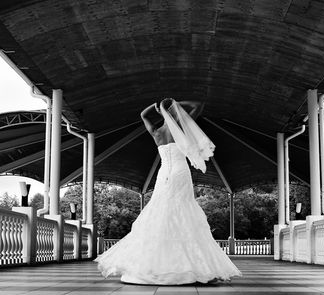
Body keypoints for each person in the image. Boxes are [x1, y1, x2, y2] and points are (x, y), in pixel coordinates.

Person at [95, 98, 242, 285]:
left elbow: (143, 115)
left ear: (163, 116)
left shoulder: (156, 132)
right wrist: (173, 102)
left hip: (164, 173)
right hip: (180, 172)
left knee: (160, 209)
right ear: (176, 115)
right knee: (184, 210)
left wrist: (156, 107)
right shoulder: (179, 130)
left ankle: (155, 265)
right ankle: (196, 266)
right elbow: (198, 105)